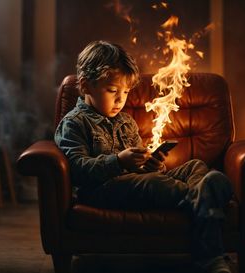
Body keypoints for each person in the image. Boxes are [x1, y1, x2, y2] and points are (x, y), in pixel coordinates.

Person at [54, 40, 234, 273]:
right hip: (102, 189)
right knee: (155, 182)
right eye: (112, 91)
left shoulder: (126, 122)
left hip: (137, 181)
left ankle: (204, 192)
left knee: (195, 166)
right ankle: (209, 244)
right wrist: (119, 161)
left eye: (126, 92)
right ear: (86, 86)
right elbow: (78, 168)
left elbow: (141, 172)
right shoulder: (74, 123)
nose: (120, 100)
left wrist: (150, 164)